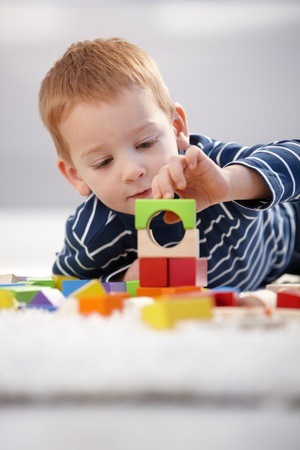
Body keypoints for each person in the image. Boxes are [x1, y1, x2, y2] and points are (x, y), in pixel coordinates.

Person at [39, 38, 300, 291]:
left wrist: (231, 183)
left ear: (177, 128)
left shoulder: (207, 164)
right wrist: (123, 280)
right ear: (76, 176)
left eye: (145, 144)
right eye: (104, 162)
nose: (132, 170)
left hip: (289, 239)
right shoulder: (93, 232)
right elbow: (63, 286)